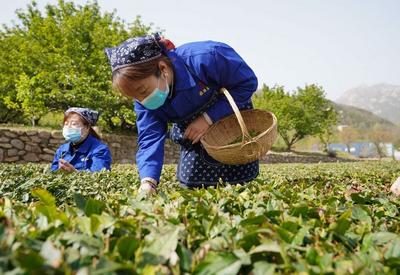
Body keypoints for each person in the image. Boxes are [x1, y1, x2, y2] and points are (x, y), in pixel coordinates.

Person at [105, 33, 259, 195]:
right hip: (194, 136)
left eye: (142, 91)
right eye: (135, 97)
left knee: (242, 183)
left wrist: (208, 118)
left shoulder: (207, 57)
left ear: (163, 69)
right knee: (193, 184)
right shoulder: (143, 101)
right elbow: (150, 138)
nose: (142, 101)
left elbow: (246, 84)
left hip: (230, 121)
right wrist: (148, 181)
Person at [51, 107, 112, 172]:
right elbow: (53, 172)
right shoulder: (62, 150)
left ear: (87, 127)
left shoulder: (100, 149)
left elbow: (99, 175)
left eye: (73, 124)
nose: (68, 127)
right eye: (66, 124)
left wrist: (75, 173)